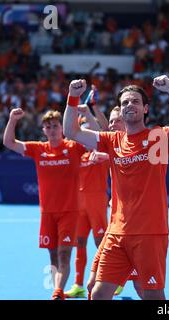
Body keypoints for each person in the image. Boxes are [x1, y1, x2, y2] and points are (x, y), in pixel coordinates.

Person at [63, 75, 169, 300]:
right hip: (117, 232)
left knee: (153, 295)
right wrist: (73, 97)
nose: (129, 105)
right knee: (98, 293)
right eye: (125, 102)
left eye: (135, 101)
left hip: (150, 232)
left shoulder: (158, 137)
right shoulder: (112, 140)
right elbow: (71, 132)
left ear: (145, 109)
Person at [3, 108, 86, 300]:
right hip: (47, 212)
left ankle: (58, 292)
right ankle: (57, 289)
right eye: (48, 127)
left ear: (62, 128)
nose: (52, 129)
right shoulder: (38, 149)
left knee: (65, 254)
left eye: (56, 126)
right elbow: (9, 143)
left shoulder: (74, 147)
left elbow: (98, 137)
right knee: (53, 256)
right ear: (44, 130)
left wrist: (86, 117)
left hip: (69, 211)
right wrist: (12, 120)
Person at [86, 106, 143, 300]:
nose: (111, 124)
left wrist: (107, 157)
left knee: (142, 289)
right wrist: (89, 110)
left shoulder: (138, 144)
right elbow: (97, 131)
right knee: (92, 285)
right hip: (115, 226)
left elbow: (130, 159)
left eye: (115, 121)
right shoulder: (112, 142)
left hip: (135, 228)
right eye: (110, 121)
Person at [64, 105, 109, 298]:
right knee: (80, 243)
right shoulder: (79, 154)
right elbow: (70, 135)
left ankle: (109, 281)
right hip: (79, 206)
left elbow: (99, 132)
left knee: (101, 244)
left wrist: (88, 114)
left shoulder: (103, 153)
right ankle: (78, 284)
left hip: (97, 203)